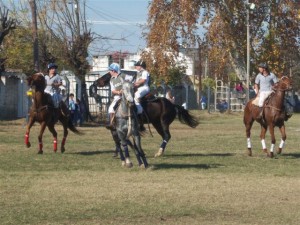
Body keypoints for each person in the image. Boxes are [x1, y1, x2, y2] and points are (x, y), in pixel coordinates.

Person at [106, 63, 126, 130]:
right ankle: (112, 124)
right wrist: (118, 92)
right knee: (111, 108)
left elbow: (129, 84)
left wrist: (124, 90)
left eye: (110, 70)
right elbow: (113, 91)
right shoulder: (112, 79)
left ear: (114, 71)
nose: (109, 72)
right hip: (118, 96)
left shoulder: (123, 76)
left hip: (126, 95)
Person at [134, 60, 150, 131]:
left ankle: (139, 111)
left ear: (140, 66)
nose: (136, 67)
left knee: (136, 95)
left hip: (144, 88)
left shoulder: (145, 72)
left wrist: (135, 83)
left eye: (137, 66)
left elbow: (143, 80)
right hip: (138, 88)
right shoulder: (138, 73)